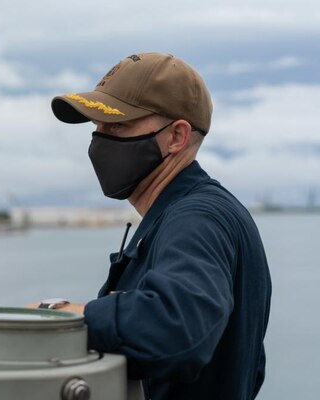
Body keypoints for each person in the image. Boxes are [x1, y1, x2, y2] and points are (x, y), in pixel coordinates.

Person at [37, 52, 272, 399]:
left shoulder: (197, 217)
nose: (99, 140)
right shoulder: (194, 211)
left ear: (177, 136)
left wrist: (62, 316)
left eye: (117, 125)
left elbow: (177, 327)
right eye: (96, 127)